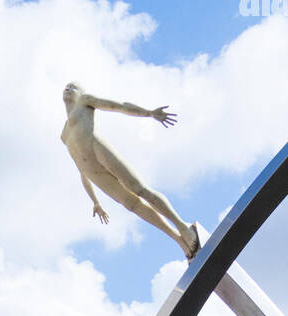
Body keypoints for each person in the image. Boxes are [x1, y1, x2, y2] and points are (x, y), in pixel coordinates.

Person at [60, 83, 199, 258]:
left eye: (73, 87)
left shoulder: (85, 102)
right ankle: (178, 240)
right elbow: (80, 169)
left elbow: (120, 106)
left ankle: (182, 226)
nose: (68, 89)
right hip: (93, 173)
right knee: (131, 204)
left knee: (138, 188)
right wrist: (95, 201)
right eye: (66, 87)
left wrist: (149, 113)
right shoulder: (64, 135)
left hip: (99, 150)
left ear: (81, 93)